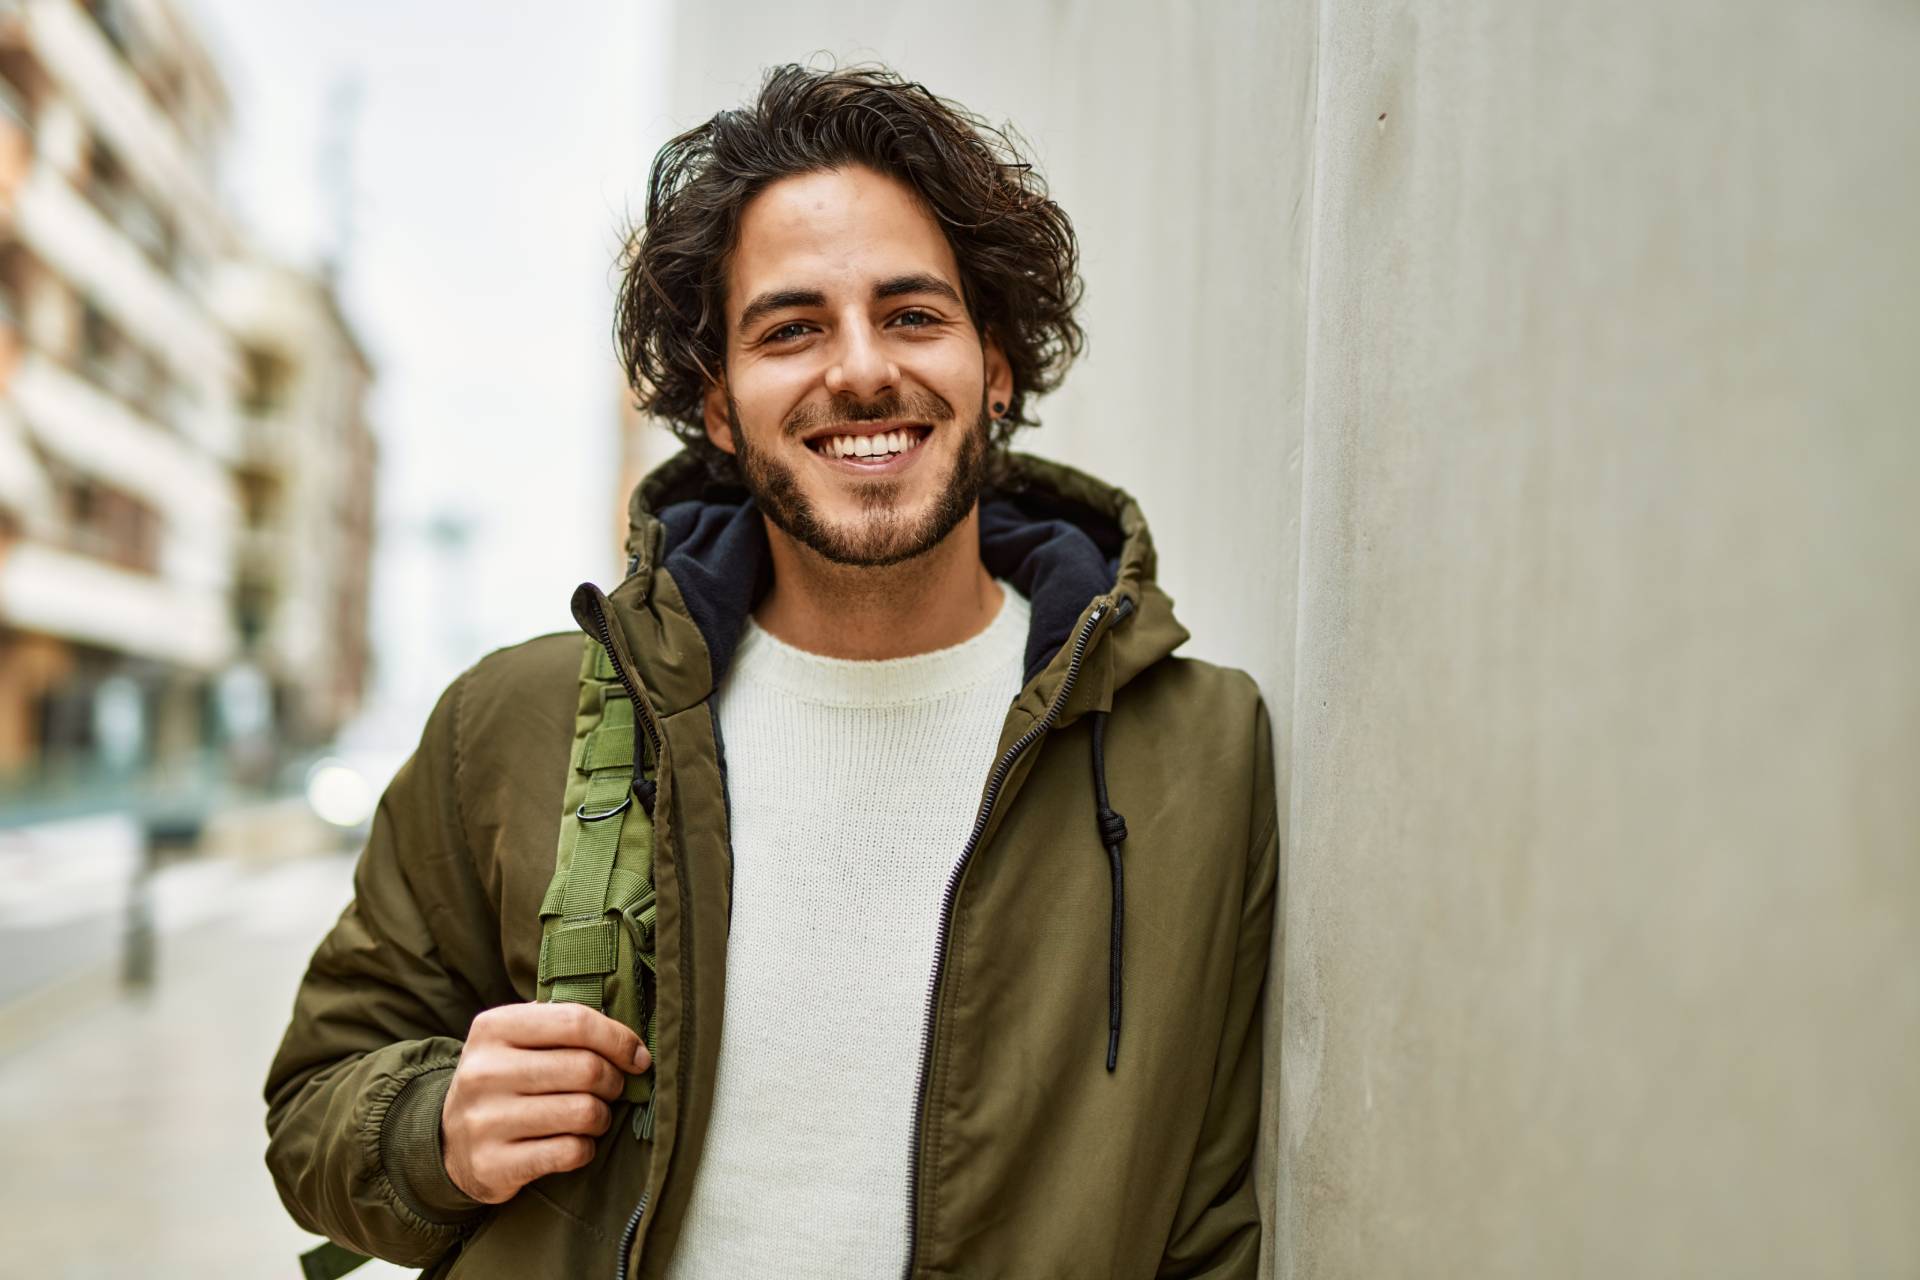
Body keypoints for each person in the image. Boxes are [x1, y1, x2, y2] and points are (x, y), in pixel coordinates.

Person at [265, 63, 1277, 1280]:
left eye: (913, 314)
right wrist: (438, 1130)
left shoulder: (1196, 749)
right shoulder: (515, 723)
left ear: (996, 364)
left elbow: (1210, 1220)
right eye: (791, 327)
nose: (859, 370)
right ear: (723, 406)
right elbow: (315, 1103)